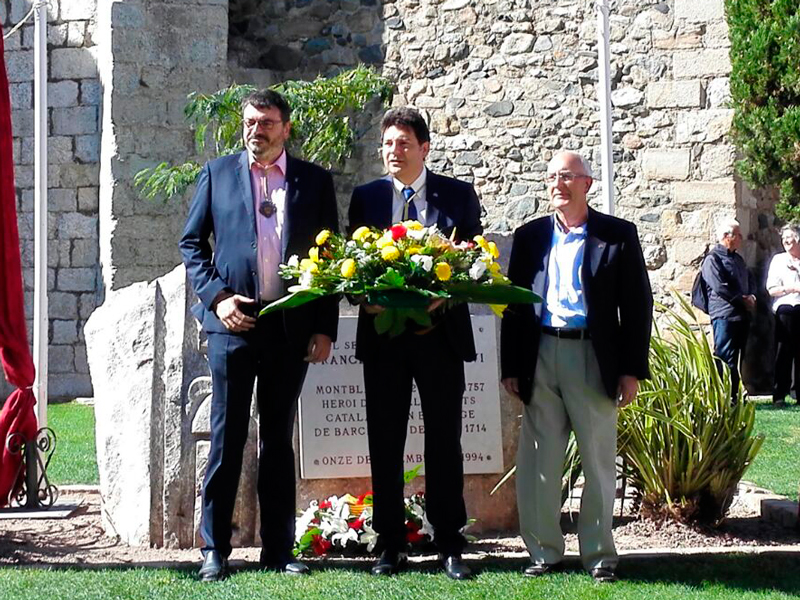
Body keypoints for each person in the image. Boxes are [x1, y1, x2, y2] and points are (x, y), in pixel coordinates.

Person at [180, 89, 339, 581]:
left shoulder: (314, 181)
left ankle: (278, 549)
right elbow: (191, 243)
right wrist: (218, 298)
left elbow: (330, 259)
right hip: (234, 325)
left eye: (267, 122)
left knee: (277, 439)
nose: (257, 130)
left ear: (286, 129)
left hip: (290, 327)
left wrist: (324, 327)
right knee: (227, 438)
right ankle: (214, 549)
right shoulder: (217, 174)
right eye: (251, 121)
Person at [500, 151, 652, 583]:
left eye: (566, 176)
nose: (557, 184)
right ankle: (544, 551)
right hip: (542, 352)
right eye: (551, 176)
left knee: (598, 458)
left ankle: (600, 555)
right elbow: (515, 306)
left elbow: (638, 305)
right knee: (539, 460)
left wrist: (631, 370)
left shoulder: (617, 235)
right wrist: (512, 365)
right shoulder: (529, 236)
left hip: (592, 355)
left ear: (586, 183)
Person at [347, 107, 482, 580]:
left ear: (424, 148)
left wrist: (444, 294)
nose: (393, 151)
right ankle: (389, 543)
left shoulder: (458, 197)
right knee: (385, 440)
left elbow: (474, 264)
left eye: (403, 143)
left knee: (445, 439)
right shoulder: (364, 198)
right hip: (384, 340)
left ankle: (449, 542)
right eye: (387, 143)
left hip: (439, 337)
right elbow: (348, 267)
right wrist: (367, 300)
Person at [701, 218, 756, 403]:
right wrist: (741, 299)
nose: (741, 238)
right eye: (738, 235)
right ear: (726, 236)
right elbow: (719, 286)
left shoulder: (738, 259)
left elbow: (749, 280)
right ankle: (724, 396)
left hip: (742, 315)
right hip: (725, 315)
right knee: (725, 357)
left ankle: (735, 394)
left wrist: (752, 296)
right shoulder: (713, 259)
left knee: (740, 357)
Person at [765, 224, 800, 406]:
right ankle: (779, 394)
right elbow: (771, 289)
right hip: (785, 309)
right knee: (783, 352)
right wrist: (792, 288)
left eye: (790, 237)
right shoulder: (778, 261)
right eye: (784, 238)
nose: (786, 241)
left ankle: (798, 393)